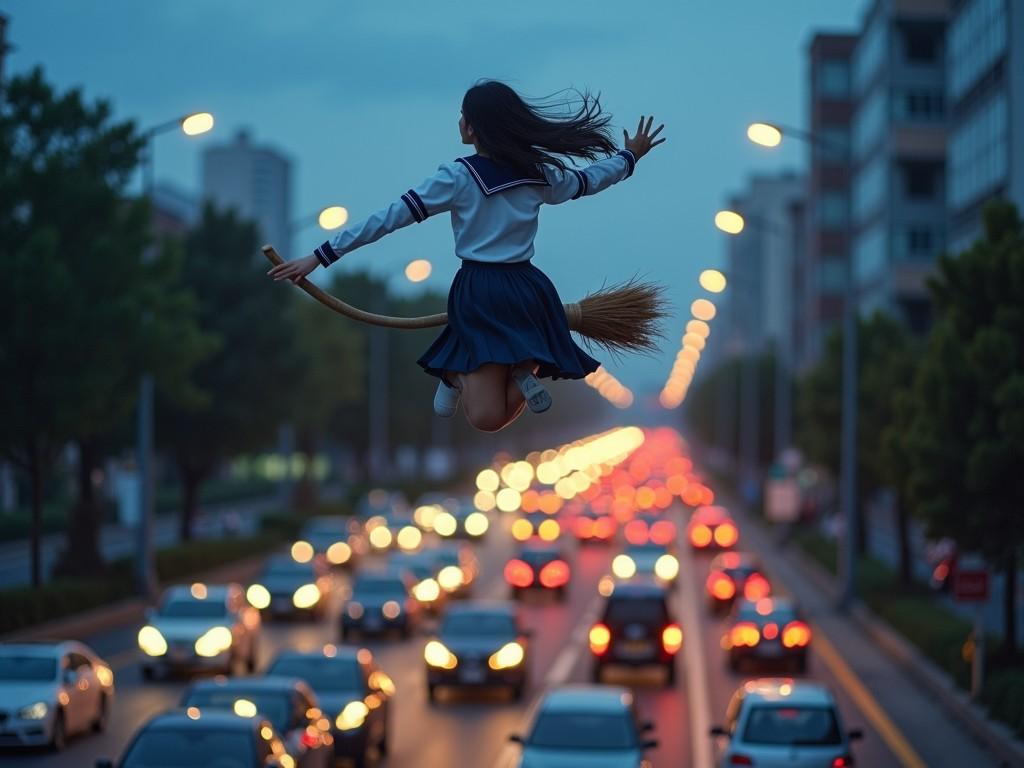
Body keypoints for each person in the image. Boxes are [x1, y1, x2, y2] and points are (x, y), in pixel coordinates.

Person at [269, 80, 665, 433]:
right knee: (489, 414)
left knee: (484, 420)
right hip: (527, 290)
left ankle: (464, 374)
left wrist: (320, 256)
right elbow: (591, 180)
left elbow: (387, 219)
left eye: (463, 115)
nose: (459, 121)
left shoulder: (459, 177)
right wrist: (630, 157)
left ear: (474, 126)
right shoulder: (538, 173)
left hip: (479, 290)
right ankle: (522, 369)